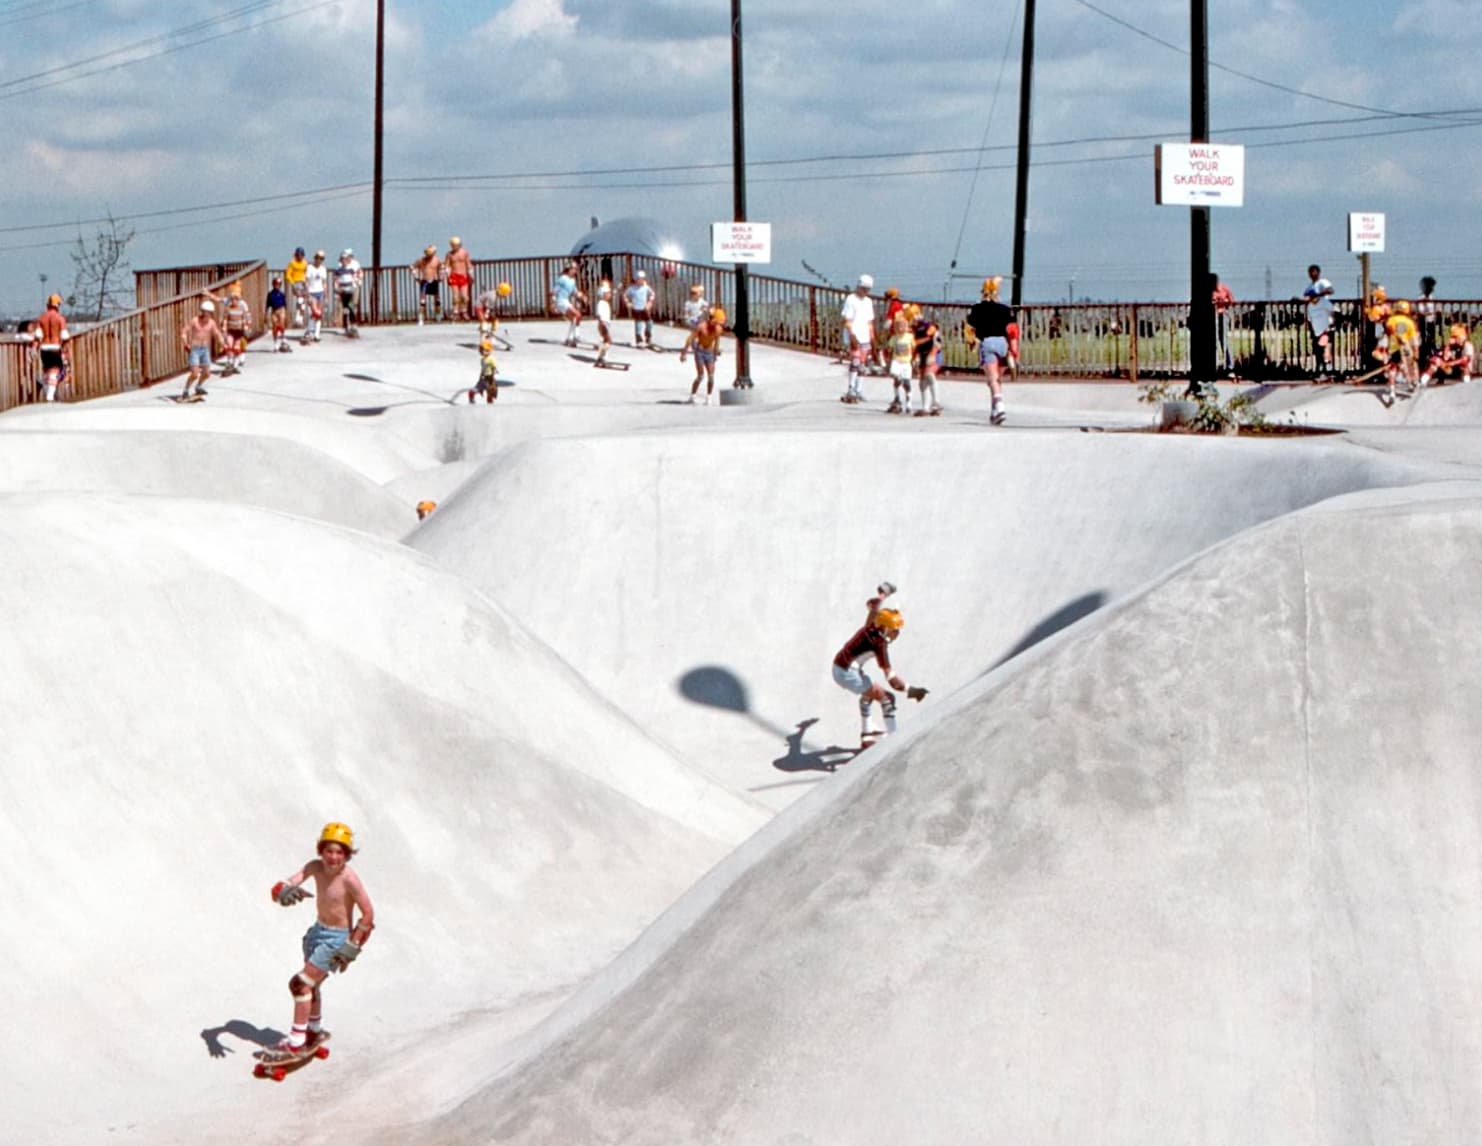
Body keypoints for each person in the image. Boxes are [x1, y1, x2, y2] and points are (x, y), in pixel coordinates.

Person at [260, 822, 375, 1063]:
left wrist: (352, 945)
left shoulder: (349, 879)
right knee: (312, 986)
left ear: (347, 855)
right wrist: (281, 890)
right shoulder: (315, 867)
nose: (333, 857)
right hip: (316, 933)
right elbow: (290, 881)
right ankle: (313, 1030)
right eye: (329, 851)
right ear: (321, 851)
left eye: (339, 852)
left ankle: (295, 1042)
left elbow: (368, 914)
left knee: (300, 985)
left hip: (336, 938)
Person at [831, 582, 927, 750]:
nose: (897, 633)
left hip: (839, 667)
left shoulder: (870, 627)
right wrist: (911, 690)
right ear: (885, 628)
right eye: (894, 630)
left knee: (868, 694)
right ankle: (894, 740)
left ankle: (867, 734)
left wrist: (883, 594)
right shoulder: (879, 644)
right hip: (847, 673)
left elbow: (873, 608)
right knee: (887, 697)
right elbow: (892, 680)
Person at [964, 276, 1017, 425]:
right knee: (997, 380)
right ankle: (994, 412)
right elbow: (1012, 331)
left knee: (992, 379)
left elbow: (969, 330)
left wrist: (972, 344)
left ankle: (999, 406)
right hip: (1002, 343)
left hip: (987, 343)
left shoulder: (976, 309)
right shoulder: (1006, 310)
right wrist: (1013, 350)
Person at [840, 274, 876, 403]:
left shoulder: (868, 301)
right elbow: (847, 319)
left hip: (865, 335)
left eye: (868, 289)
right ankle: (851, 388)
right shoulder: (851, 299)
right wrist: (851, 335)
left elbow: (870, 322)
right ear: (859, 286)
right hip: (854, 335)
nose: (865, 291)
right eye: (864, 288)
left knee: (862, 363)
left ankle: (859, 389)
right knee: (855, 361)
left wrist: (872, 338)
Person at [179, 299, 224, 401]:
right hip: (195, 349)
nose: (206, 314)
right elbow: (184, 331)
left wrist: (222, 342)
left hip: (205, 350)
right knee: (195, 373)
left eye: (209, 313)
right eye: (205, 312)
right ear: (202, 311)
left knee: (207, 373)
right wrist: (185, 342)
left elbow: (217, 334)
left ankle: (198, 386)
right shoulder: (195, 321)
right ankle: (185, 390)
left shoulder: (211, 323)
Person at [28, 294, 70, 402]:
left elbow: (37, 336)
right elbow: (65, 337)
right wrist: (66, 352)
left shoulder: (41, 318)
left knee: (47, 370)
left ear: (48, 305)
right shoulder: (60, 319)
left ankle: (48, 388)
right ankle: (50, 395)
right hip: (55, 347)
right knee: (58, 371)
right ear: (58, 306)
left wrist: (34, 348)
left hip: (44, 348)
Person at [681, 306, 724, 404]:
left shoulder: (718, 329)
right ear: (711, 319)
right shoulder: (701, 326)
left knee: (711, 376)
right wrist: (684, 353)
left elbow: (717, 342)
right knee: (700, 376)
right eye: (716, 322)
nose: (718, 325)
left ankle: (708, 398)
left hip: (709, 353)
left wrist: (715, 354)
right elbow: (690, 339)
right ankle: (692, 396)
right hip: (700, 352)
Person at [1382, 299, 1420, 403]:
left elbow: (1388, 331)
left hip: (1394, 347)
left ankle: (1392, 391)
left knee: (1393, 368)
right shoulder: (1410, 322)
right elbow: (1414, 339)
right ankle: (1412, 383)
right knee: (1409, 365)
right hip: (1406, 346)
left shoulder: (1392, 320)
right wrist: (1416, 351)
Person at [1301, 263, 1335, 379]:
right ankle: (1320, 368)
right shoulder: (1309, 287)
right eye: (1310, 272)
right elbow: (1306, 298)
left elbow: (1330, 290)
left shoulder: (1323, 283)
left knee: (1325, 343)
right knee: (1317, 346)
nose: (1312, 274)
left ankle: (1326, 368)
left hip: (1324, 316)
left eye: (1314, 272)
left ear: (1318, 273)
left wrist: (1318, 294)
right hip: (1314, 319)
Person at [908, 303, 943, 416]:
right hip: (923, 355)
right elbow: (914, 346)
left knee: (929, 375)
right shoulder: (913, 330)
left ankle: (936, 402)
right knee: (922, 381)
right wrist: (914, 358)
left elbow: (937, 341)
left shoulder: (928, 326)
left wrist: (932, 354)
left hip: (934, 354)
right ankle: (925, 407)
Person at [1420, 323, 1475, 388]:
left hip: (1460, 369)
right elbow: (1443, 358)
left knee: (1464, 366)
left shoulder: (1468, 346)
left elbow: (1465, 360)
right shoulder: (1450, 346)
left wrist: (1450, 363)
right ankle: (1423, 381)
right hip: (1449, 368)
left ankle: (1467, 383)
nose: (1453, 339)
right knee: (1435, 363)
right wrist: (1447, 347)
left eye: (1455, 337)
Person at [219, 282, 252, 373]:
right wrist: (224, 328)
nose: (234, 301)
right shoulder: (228, 309)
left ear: (238, 300)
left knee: (237, 347)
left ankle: (236, 364)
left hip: (239, 331)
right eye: (233, 299)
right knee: (229, 345)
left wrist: (247, 326)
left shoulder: (241, 308)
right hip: (230, 330)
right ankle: (229, 361)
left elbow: (246, 318)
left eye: (236, 300)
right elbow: (225, 319)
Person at [885, 313, 915, 415]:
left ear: (907, 327)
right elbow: (889, 349)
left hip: (906, 362)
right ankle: (897, 397)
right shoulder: (894, 338)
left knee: (907, 383)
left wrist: (915, 359)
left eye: (903, 326)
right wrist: (887, 361)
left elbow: (914, 348)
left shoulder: (910, 337)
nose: (900, 328)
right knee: (895, 375)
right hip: (896, 361)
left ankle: (909, 402)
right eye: (898, 326)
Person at [551, 262, 585, 346]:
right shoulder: (562, 278)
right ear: (568, 269)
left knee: (574, 319)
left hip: (566, 301)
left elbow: (575, 292)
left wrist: (582, 296)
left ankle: (569, 339)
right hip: (561, 301)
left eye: (576, 269)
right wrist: (553, 303)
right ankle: (576, 336)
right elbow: (555, 291)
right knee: (578, 315)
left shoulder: (573, 280)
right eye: (573, 269)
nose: (575, 271)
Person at [623, 269, 656, 348]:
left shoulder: (646, 287)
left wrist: (650, 302)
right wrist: (627, 303)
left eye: (642, 279)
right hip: (636, 308)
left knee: (649, 322)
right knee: (638, 324)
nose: (641, 281)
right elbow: (625, 295)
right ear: (636, 279)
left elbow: (652, 294)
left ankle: (648, 335)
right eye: (639, 279)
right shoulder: (632, 288)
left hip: (644, 308)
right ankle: (639, 339)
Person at [334, 249, 362, 337]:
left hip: (350, 290)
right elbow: (336, 280)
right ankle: (346, 326)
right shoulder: (338, 270)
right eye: (343, 259)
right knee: (345, 309)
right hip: (343, 291)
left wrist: (356, 283)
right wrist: (336, 290)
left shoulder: (351, 269)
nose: (344, 261)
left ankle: (353, 325)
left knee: (351, 307)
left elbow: (355, 277)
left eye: (346, 259)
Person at [445, 236, 474, 321]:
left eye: (456, 245)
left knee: (465, 296)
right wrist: (447, 276)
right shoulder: (449, 254)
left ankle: (464, 311)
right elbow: (447, 265)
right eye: (453, 245)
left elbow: (468, 264)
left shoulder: (464, 253)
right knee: (455, 296)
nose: (455, 246)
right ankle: (455, 312)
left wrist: (471, 275)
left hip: (463, 275)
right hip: (454, 275)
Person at [302, 250, 329, 343]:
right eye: (318, 257)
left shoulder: (323, 269)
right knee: (313, 313)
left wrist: (326, 295)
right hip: (312, 292)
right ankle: (309, 331)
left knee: (319, 314)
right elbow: (306, 281)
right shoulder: (310, 268)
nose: (319, 260)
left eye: (322, 258)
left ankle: (317, 334)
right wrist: (307, 294)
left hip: (320, 292)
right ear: (315, 258)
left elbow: (324, 282)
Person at [412, 244, 442, 325]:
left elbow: (441, 268)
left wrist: (441, 277)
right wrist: (416, 276)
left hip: (434, 280)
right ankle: (421, 319)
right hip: (425, 281)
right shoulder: (421, 260)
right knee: (422, 301)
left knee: (437, 299)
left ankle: (438, 316)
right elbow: (413, 267)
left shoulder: (437, 260)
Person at [1212, 274, 1235, 374]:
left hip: (1223, 314)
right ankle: (1214, 365)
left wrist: (1224, 302)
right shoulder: (1209, 291)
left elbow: (1231, 300)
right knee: (1214, 340)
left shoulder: (1224, 288)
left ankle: (1229, 365)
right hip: (1213, 316)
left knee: (1224, 339)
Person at [284, 247, 309, 329]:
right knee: (300, 300)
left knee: (303, 302)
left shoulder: (305, 263)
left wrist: (306, 281)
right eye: (298, 255)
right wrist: (293, 283)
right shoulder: (292, 263)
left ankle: (300, 318)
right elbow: (288, 275)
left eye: (301, 255)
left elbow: (306, 272)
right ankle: (298, 318)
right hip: (296, 283)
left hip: (304, 283)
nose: (300, 257)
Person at [265, 276, 291, 352]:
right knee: (275, 327)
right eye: (276, 284)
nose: (277, 286)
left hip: (281, 309)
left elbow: (285, 304)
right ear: (273, 284)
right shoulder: (270, 294)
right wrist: (266, 314)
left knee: (282, 325)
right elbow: (267, 304)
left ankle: (283, 337)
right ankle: (275, 343)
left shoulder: (281, 294)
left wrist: (287, 313)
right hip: (274, 311)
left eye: (279, 284)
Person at [1416, 275, 1440, 356]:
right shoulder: (1420, 298)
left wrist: (1435, 313)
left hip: (1431, 321)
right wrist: (1429, 313)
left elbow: (1435, 309)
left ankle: (1432, 351)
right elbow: (1420, 311)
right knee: (1423, 338)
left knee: (1432, 338)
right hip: (1423, 322)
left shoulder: (1432, 298)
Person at [593, 282, 614, 366]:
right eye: (608, 293)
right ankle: (601, 357)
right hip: (603, 324)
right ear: (603, 294)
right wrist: (603, 325)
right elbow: (599, 315)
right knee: (609, 341)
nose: (609, 295)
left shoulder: (605, 303)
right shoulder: (601, 303)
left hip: (606, 324)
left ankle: (603, 357)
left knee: (606, 341)